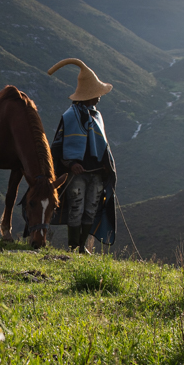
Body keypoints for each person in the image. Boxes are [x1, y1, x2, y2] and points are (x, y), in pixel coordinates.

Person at [46, 58, 117, 253]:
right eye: (96, 94)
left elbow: (104, 145)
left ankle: (82, 246)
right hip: (76, 173)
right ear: (88, 95)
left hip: (96, 173)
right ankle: (72, 246)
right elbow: (58, 146)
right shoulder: (69, 116)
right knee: (76, 209)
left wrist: (105, 166)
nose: (99, 98)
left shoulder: (97, 116)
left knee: (91, 209)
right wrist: (69, 165)